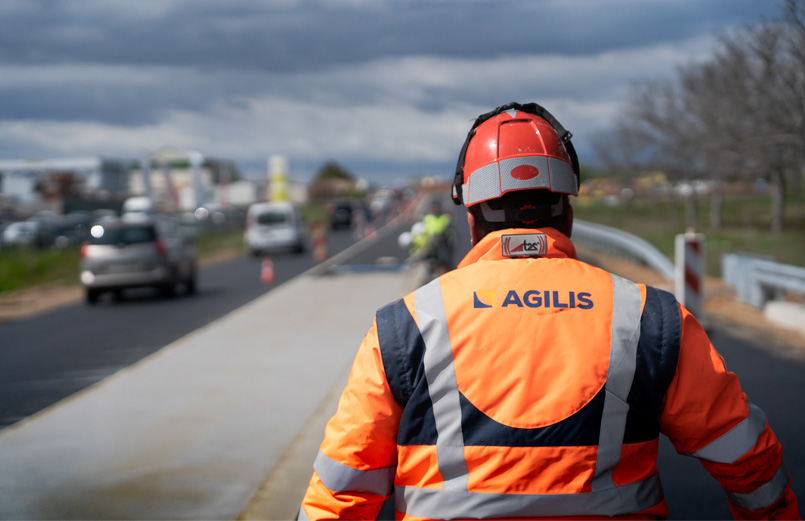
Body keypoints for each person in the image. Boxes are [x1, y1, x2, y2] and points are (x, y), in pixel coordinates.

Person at [299, 102, 800, 520]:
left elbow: (343, 489)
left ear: (471, 218)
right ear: (568, 208)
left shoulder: (404, 326)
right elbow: (747, 458)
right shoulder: (651, 317)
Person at [408, 200, 456, 278]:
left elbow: (450, 231)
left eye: (435, 208)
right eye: (432, 208)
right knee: (432, 261)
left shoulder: (444, 218)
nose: (434, 210)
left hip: (443, 243)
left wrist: (451, 240)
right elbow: (425, 232)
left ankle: (446, 274)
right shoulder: (427, 218)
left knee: (445, 260)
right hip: (431, 244)